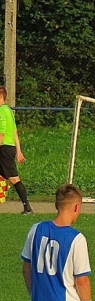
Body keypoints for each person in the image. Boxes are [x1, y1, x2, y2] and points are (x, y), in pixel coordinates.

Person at [0, 86, 33, 214]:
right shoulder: (8, 110)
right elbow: (14, 132)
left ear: (1, 97)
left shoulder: (2, 111)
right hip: (10, 147)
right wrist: (18, 151)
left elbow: (2, 133)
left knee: (14, 179)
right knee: (6, 177)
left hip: (4, 148)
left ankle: (27, 208)